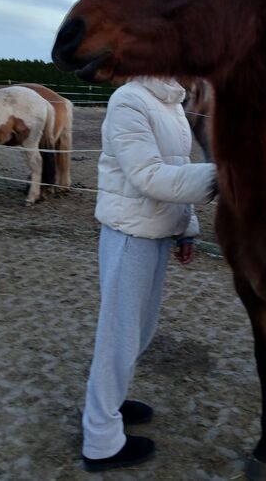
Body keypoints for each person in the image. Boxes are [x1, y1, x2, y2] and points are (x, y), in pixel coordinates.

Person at [82, 76, 216, 472]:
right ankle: (101, 443)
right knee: (118, 336)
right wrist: (226, 177)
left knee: (139, 330)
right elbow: (149, 176)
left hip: (158, 231)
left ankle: (111, 402)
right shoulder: (128, 101)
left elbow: (180, 168)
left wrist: (186, 228)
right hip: (130, 234)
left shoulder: (173, 103)